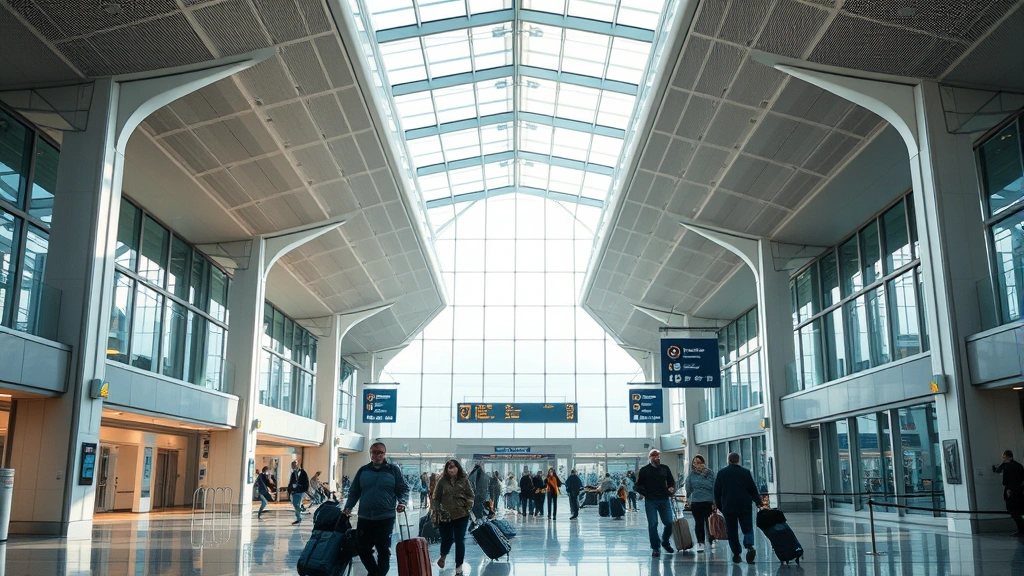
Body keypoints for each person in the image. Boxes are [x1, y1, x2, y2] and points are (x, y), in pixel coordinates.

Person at [343, 442, 409, 576]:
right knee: (362, 549)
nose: (377, 455)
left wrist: (402, 502)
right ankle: (374, 573)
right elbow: (354, 491)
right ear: (370, 453)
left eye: (380, 452)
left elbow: (403, 489)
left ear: (385, 454)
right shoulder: (363, 470)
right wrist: (348, 507)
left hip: (385, 518)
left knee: (383, 550)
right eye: (374, 452)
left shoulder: (393, 470)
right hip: (365, 517)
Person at [714, 452, 763, 564]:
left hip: (728, 506)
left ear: (728, 460)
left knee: (732, 531)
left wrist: (719, 506)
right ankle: (749, 546)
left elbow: (717, 492)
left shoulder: (722, 473)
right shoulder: (745, 472)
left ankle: (736, 554)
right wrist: (758, 501)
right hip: (744, 505)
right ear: (738, 460)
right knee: (747, 527)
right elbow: (752, 489)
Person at [432, 459, 475, 576]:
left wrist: (467, 508)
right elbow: (436, 498)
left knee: (460, 540)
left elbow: (470, 495)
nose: (452, 469)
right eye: (449, 467)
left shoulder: (464, 480)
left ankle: (459, 566)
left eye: (454, 467)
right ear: (446, 469)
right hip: (445, 516)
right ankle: (443, 556)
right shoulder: (442, 482)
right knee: (447, 539)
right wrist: (435, 512)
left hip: (461, 515)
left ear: (458, 468)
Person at [636, 448, 676, 557]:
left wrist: (672, 488)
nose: (656, 457)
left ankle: (665, 541)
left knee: (669, 522)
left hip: (664, 499)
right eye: (654, 455)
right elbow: (638, 485)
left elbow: (672, 482)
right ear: (650, 457)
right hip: (651, 501)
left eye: (658, 455)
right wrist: (646, 493)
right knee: (653, 524)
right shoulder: (644, 470)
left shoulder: (665, 468)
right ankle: (655, 547)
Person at [684, 454, 717, 552]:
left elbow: (715, 487)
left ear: (703, 462)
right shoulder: (691, 475)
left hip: (708, 501)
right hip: (696, 502)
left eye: (699, 462)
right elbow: (688, 488)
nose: (697, 464)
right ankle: (700, 542)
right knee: (699, 523)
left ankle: (712, 538)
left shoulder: (710, 473)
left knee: (710, 522)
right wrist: (689, 499)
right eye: (695, 462)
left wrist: (715, 501)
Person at [993, 449, 1024, 535]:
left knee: (1012, 510)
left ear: (1006, 457)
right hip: (1019, 490)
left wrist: (1008, 489)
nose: (1002, 459)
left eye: (1003, 457)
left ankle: (1021, 529)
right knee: (1020, 509)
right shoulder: (1019, 466)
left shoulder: (1006, 466)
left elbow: (1002, 475)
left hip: (1010, 490)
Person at [286, 460, 310, 525]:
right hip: (294, 491)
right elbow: (291, 482)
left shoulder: (303, 472)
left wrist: (305, 489)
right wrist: (289, 490)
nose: (292, 467)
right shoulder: (293, 473)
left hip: (300, 490)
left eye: (293, 466)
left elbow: (306, 481)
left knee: (297, 504)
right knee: (295, 503)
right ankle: (301, 510)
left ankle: (299, 518)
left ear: (296, 465)